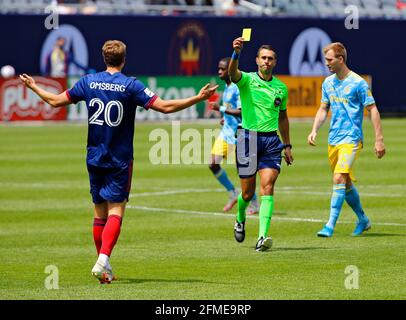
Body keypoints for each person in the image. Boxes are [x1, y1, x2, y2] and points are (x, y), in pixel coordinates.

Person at [20, 40, 218, 284]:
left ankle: (104, 266)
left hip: (93, 157)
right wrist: (198, 98)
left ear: (104, 59)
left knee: (99, 212)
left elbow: (54, 101)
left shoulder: (87, 82)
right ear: (124, 59)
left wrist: (34, 87)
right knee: (116, 210)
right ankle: (103, 260)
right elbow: (165, 107)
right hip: (119, 159)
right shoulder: (130, 85)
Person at [307, 42, 385, 238]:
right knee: (346, 183)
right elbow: (323, 108)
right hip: (334, 139)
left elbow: (372, 109)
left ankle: (329, 225)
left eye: (329, 59)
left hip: (351, 139)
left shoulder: (358, 83)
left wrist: (379, 139)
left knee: (338, 178)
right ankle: (363, 220)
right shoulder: (328, 83)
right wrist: (314, 129)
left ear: (340, 59)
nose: (326, 63)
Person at [229, 37, 293, 252]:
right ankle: (240, 217)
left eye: (271, 59)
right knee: (247, 194)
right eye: (263, 58)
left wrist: (288, 145)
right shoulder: (246, 80)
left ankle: (262, 237)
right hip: (248, 139)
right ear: (257, 60)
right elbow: (232, 74)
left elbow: (283, 117)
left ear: (275, 62)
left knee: (268, 187)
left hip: (272, 142)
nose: (266, 61)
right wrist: (236, 53)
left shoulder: (281, 88)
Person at [209, 57, 259, 214]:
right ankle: (232, 193)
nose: (219, 72)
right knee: (213, 163)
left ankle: (255, 203)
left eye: (223, 69)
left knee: (243, 172)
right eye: (219, 68)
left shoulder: (238, 88)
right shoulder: (227, 86)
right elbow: (232, 110)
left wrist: (221, 109)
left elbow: (242, 111)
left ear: (230, 71)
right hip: (227, 133)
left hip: (239, 134)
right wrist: (226, 118)